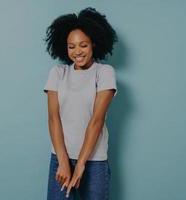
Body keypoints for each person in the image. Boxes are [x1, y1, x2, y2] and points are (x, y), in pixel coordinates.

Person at [43, 7, 118, 200]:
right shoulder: (58, 73)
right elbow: (53, 119)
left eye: (83, 45)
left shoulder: (104, 73)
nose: (77, 51)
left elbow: (97, 120)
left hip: (94, 161)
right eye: (71, 46)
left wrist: (81, 165)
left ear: (93, 43)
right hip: (60, 158)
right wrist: (63, 161)